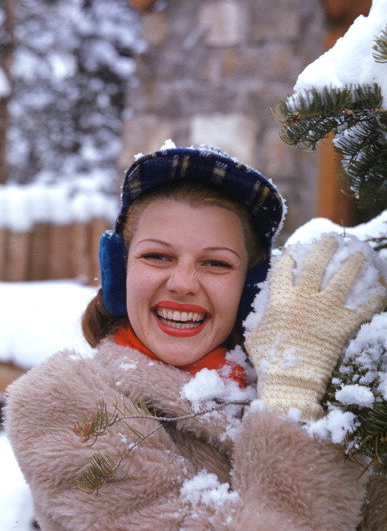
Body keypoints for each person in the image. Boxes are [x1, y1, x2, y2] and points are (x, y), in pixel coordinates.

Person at [5, 144, 386, 530]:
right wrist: (291, 395)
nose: (183, 284)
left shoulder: (315, 382)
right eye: (158, 256)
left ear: (251, 288)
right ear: (119, 271)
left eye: (216, 263)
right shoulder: (63, 407)